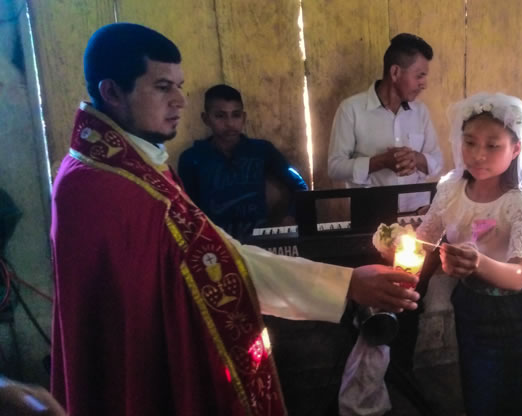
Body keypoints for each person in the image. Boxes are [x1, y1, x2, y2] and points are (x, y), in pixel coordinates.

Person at [50, 23, 420, 415]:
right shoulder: (108, 188)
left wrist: (305, 234)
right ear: (112, 92)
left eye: (179, 86)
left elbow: (217, 249)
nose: (179, 100)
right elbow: (219, 268)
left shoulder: (125, 165)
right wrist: (347, 284)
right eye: (162, 87)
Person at [416, 93, 522, 415]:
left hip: (511, 313)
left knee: (509, 396)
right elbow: (424, 239)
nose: (478, 155)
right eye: (470, 142)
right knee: (476, 388)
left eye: (493, 146)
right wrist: (396, 244)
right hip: (468, 303)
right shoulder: (451, 189)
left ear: (516, 149)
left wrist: (478, 263)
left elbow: (518, 276)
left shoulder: (520, 202)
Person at [327, 33, 443, 214]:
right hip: (371, 215)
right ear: (395, 72)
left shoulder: (421, 112)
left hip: (417, 213)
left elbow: (437, 160)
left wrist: (415, 158)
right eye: (419, 76)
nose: (424, 84)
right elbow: (335, 167)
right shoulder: (351, 109)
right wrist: (379, 162)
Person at [178, 84, 308, 239]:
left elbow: (300, 186)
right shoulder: (193, 158)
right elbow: (186, 208)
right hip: (215, 243)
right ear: (206, 119)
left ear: (244, 117)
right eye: (220, 116)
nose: (230, 123)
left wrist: (291, 217)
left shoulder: (261, 151)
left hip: (259, 242)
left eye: (236, 115)